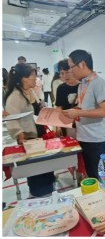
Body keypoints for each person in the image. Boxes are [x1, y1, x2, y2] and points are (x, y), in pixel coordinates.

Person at [5, 64, 56, 198]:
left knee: (46, 164)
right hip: (29, 138)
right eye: (33, 75)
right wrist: (19, 134)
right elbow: (11, 119)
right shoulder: (15, 96)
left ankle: (49, 189)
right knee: (36, 169)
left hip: (41, 135)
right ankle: (39, 194)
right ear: (24, 78)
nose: (36, 78)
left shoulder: (31, 91)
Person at [61, 50, 105, 183]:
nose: (71, 71)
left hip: (96, 139)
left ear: (82, 64)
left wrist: (78, 113)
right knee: (92, 175)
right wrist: (75, 112)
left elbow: (103, 111)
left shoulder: (98, 83)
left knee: (102, 176)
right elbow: (86, 108)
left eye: (72, 67)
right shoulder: (82, 84)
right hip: (84, 136)